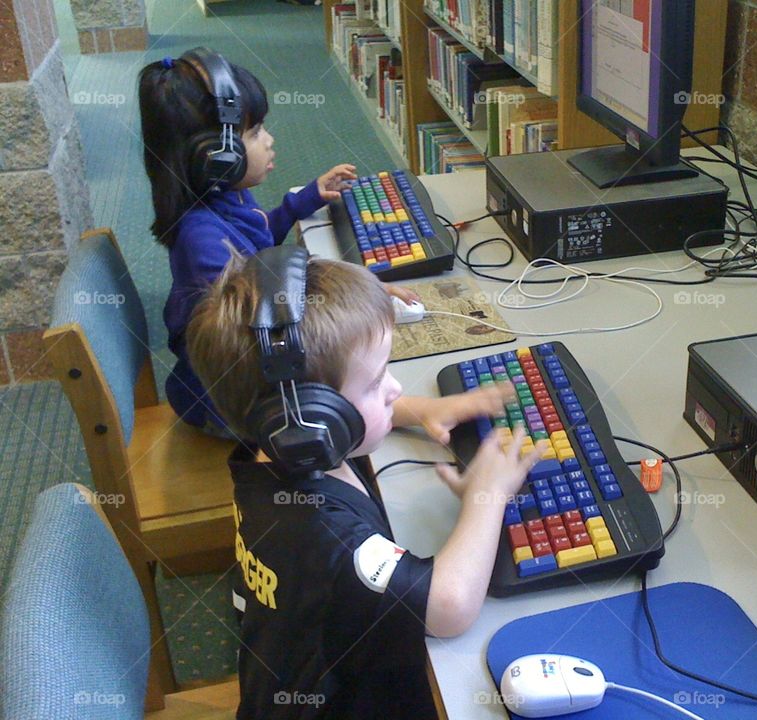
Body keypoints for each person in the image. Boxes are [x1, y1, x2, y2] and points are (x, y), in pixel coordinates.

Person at [186, 248, 548, 719]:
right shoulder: (325, 531)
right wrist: (487, 496)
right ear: (317, 422)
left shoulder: (275, 451)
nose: (395, 388)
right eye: (377, 382)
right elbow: (449, 608)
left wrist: (426, 410)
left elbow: (344, 412)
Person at [137, 48, 415, 434]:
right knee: (355, 398)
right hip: (229, 404)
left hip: (246, 373)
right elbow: (258, 343)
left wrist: (305, 199)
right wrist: (351, 298)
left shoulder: (223, 198)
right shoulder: (202, 242)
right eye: (254, 132)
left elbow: (258, 235)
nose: (269, 140)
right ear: (216, 157)